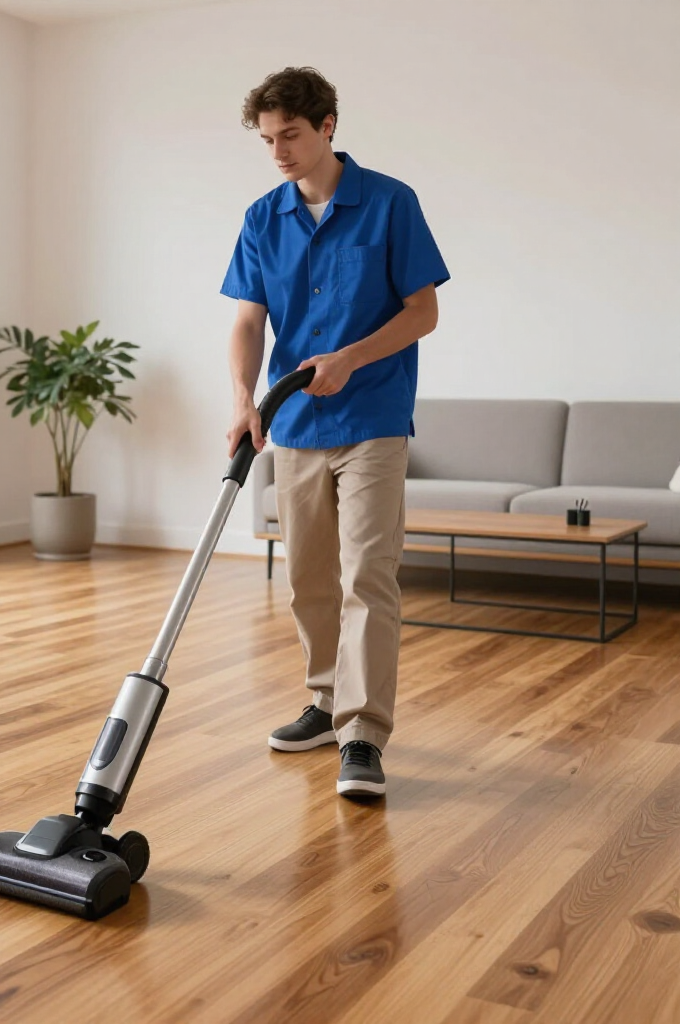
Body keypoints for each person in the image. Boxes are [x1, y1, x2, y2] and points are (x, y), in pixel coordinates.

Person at [221, 66, 450, 798]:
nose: (279, 151)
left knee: (367, 575)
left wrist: (350, 359)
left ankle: (362, 733)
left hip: (374, 418)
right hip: (294, 423)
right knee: (306, 579)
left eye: (291, 134)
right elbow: (248, 321)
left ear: (327, 127)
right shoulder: (264, 217)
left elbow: (422, 312)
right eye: (267, 139)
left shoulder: (389, 203)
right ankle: (324, 702)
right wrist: (242, 398)